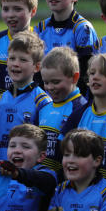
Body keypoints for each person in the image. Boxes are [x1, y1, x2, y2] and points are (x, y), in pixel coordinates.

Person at [59, 53, 106, 183]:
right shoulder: (79, 114)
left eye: (103, 74)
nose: (95, 77)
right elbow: (64, 153)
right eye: (92, 73)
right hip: (79, 187)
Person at [0, 32, 50, 166]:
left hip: (28, 178)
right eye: (12, 58)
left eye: (23, 60)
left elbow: (44, 148)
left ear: (37, 67)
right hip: (1, 176)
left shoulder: (43, 102)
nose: (16, 64)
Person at [34, 0, 100, 97]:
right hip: (45, 101)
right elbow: (35, 71)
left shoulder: (83, 29)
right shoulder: (40, 29)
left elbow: (87, 73)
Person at [38, 47, 86, 175]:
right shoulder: (44, 107)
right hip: (42, 178)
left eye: (55, 82)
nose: (50, 87)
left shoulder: (81, 109)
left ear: (74, 78)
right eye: (46, 82)